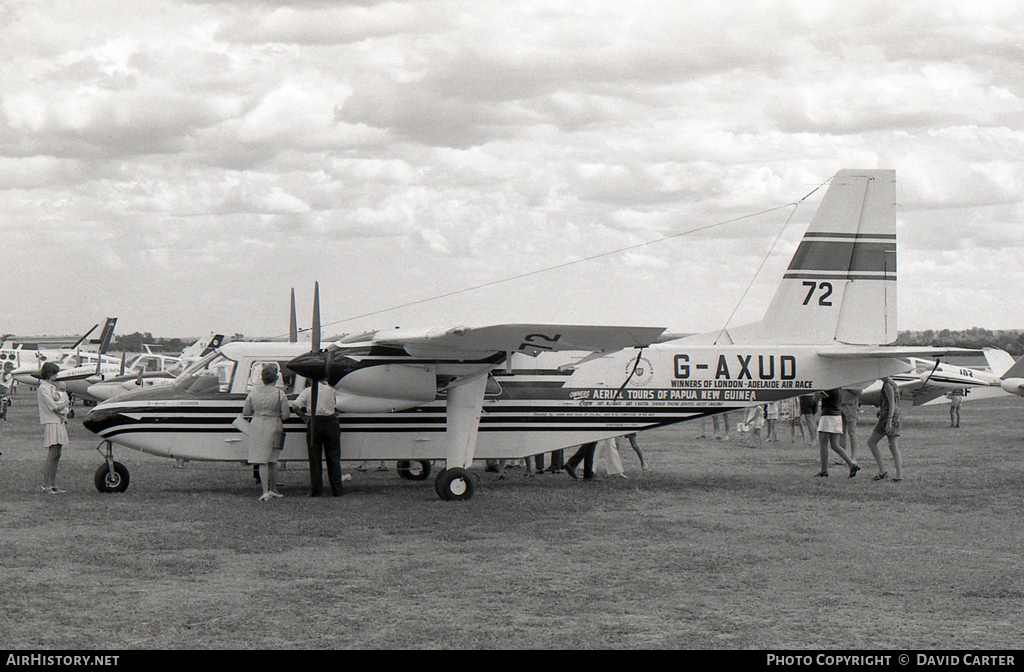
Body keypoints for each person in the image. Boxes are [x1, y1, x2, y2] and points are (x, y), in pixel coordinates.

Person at [241, 365, 290, 501]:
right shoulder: (280, 394)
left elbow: (246, 412)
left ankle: (265, 490)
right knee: (273, 459)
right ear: (275, 378)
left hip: (257, 424)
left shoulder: (253, 392)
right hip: (274, 423)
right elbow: (286, 415)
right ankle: (273, 488)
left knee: (261, 459)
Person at [292, 380, 344, 497]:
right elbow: (343, 404)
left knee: (315, 458)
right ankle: (337, 490)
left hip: (314, 422)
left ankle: (317, 490)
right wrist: (335, 414)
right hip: (331, 422)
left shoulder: (308, 391)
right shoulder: (332, 390)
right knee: (333, 458)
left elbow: (295, 406)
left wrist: (304, 417)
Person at [36, 362, 70, 493]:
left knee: (57, 453)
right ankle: (45, 485)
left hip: (58, 420)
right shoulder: (43, 389)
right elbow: (54, 406)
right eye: (55, 373)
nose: (56, 376)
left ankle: (53, 483)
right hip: (51, 421)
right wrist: (65, 402)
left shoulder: (51, 387)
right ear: (50, 374)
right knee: (52, 453)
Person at [816, 388, 859, 478]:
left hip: (827, 415)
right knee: (835, 445)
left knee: (823, 444)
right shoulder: (839, 390)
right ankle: (851, 464)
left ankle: (824, 470)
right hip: (836, 415)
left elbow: (816, 399)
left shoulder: (829, 389)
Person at [867, 376, 903, 482]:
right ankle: (899, 475)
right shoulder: (892, 383)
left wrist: (889, 420)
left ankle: (882, 470)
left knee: (872, 442)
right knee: (893, 447)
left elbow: (891, 403)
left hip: (888, 417)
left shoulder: (887, 384)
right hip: (895, 416)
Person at [837, 387, 862, 460]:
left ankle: (854, 457)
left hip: (850, 405)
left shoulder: (853, 380)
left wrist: (847, 387)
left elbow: (859, 391)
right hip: (840, 404)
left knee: (852, 432)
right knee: (841, 432)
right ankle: (842, 457)